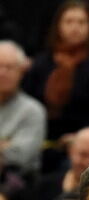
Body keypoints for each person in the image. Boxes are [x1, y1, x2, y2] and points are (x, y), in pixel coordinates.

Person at [21, 0, 89, 159]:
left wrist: (79, 137)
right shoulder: (42, 63)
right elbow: (29, 103)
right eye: (69, 21)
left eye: (81, 22)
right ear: (58, 26)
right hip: (40, 140)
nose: (75, 27)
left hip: (84, 144)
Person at [0, 40, 47, 180]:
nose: (2, 73)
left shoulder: (33, 110)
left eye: (9, 67)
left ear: (21, 71)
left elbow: (20, 157)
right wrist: (5, 144)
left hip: (15, 182)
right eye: (0, 66)